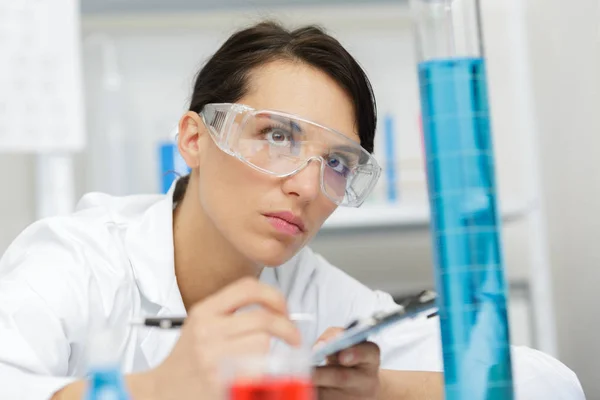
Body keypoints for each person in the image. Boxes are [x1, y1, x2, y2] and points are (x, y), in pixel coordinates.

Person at [0, 21, 584, 400]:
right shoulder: (76, 260)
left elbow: (550, 386)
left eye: (337, 162)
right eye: (277, 137)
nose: (307, 186)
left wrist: (378, 387)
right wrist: (155, 390)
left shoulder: (312, 293)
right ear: (195, 139)